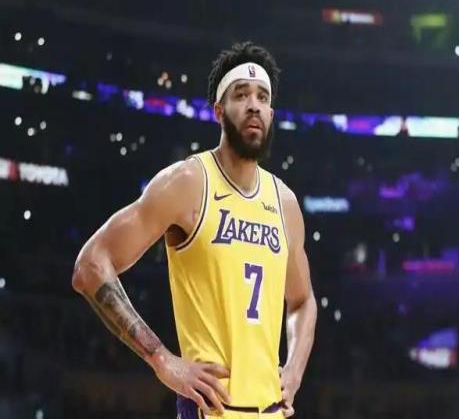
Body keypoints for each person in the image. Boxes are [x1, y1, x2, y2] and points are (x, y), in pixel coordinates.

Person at [72, 41, 317, 418]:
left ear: (271, 114)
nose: (254, 105)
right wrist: (161, 359)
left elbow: (302, 301)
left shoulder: (284, 203)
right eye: (241, 94)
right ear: (219, 111)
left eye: (262, 97)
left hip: (271, 411)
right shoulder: (188, 182)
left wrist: (295, 371)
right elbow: (91, 265)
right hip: (210, 409)